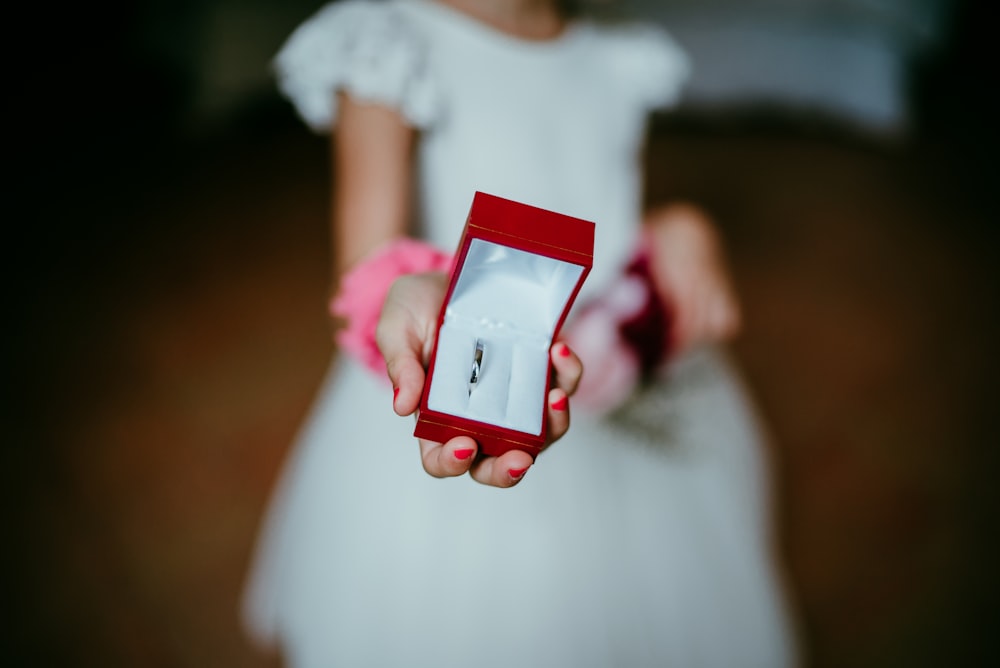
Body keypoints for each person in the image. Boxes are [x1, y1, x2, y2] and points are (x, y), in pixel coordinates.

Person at [242, 0, 799, 666]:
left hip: (597, 390)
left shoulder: (620, 56)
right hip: (465, 377)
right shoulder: (388, 43)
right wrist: (410, 293)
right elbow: (364, 268)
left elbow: (603, 234)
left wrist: (679, 230)